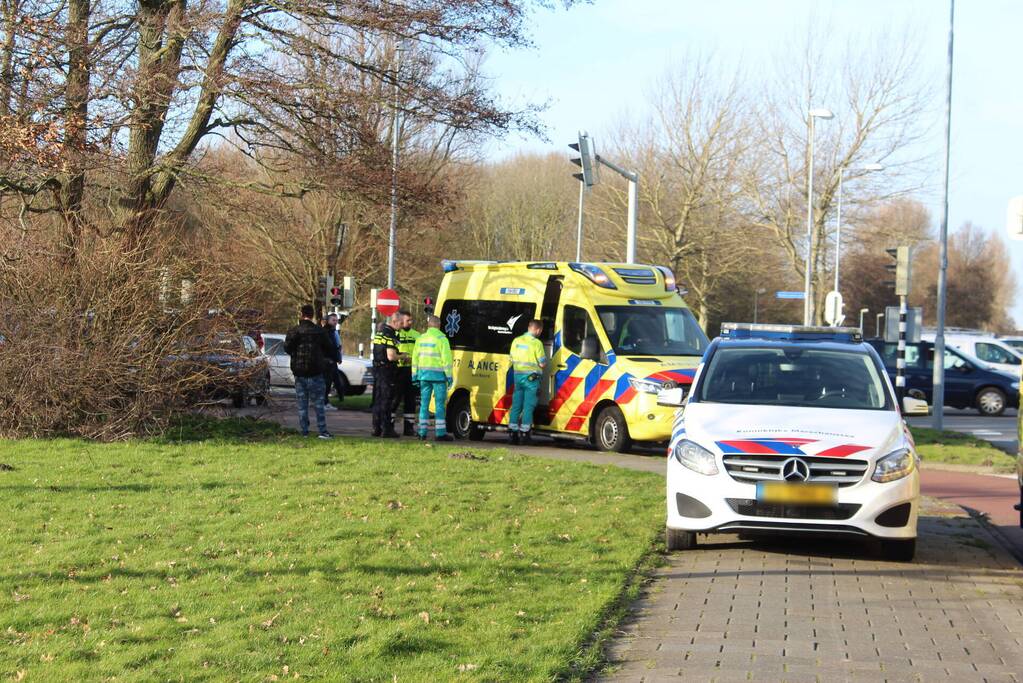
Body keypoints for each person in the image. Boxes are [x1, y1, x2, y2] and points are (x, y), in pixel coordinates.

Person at [284, 304, 336, 439]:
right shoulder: (319, 331)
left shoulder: (294, 331)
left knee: (302, 404)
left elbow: (287, 348)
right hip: (316, 372)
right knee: (319, 404)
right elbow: (330, 348)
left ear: (301, 314)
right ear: (312, 315)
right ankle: (322, 431)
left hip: (299, 372)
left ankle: (304, 431)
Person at [412, 314, 454, 442]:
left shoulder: (420, 339)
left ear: (428, 325)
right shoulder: (442, 339)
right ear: (439, 325)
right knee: (439, 405)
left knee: (424, 405)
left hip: (424, 376)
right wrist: (450, 376)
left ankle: (421, 432)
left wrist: (414, 375)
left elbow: (415, 358)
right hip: (439, 377)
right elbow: (446, 360)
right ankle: (440, 433)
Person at [507, 319, 547, 445]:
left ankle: (512, 434)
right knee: (528, 406)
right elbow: (542, 363)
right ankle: (525, 434)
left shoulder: (516, 341)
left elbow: (511, 358)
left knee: (516, 406)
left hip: (518, 377)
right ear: (538, 330)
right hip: (531, 379)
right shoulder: (537, 344)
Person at [371, 312, 402, 438]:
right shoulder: (390, 334)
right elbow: (391, 356)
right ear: (394, 322)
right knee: (386, 400)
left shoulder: (380, 333)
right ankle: (387, 429)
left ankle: (376, 428)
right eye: (400, 323)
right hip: (386, 370)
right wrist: (404, 356)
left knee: (377, 399)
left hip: (377, 369)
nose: (401, 325)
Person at [394, 310, 421, 435]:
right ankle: (389, 426)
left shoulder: (417, 335)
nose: (410, 322)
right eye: (407, 320)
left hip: (412, 370)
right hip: (397, 370)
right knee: (395, 399)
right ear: (400, 321)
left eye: (411, 320)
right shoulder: (395, 334)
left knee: (410, 401)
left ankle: (409, 428)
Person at [322, 313, 344, 409]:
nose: (335, 322)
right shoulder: (326, 332)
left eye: (336, 320)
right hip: (327, 361)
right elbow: (328, 347)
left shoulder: (333, 331)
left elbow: (337, 346)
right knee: (327, 383)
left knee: (332, 381)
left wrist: (338, 358)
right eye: (333, 320)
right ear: (328, 321)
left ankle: (328, 401)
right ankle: (324, 402)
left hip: (332, 360)